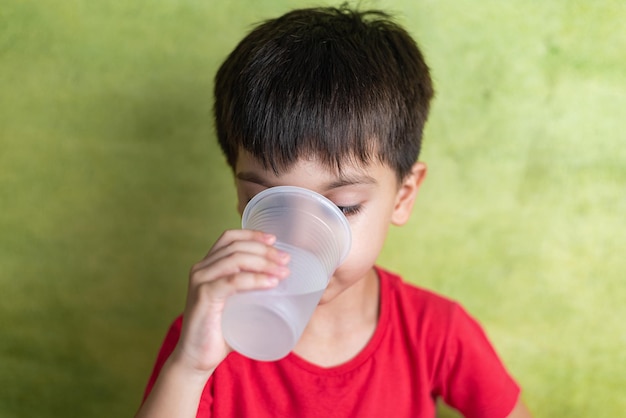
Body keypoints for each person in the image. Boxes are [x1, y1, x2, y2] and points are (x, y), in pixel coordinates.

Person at [136, 5, 532, 418]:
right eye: (269, 201)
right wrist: (190, 366)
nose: (301, 241)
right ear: (239, 192)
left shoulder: (435, 332)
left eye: (342, 207)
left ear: (403, 195)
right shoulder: (204, 338)